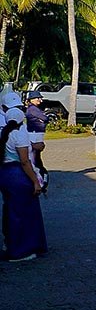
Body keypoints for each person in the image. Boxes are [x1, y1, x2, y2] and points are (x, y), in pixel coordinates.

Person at [0, 109, 46, 262]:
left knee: (11, 211)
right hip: (17, 174)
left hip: (4, 173)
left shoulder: (3, 132)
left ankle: (10, 245)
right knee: (23, 213)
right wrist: (35, 181)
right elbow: (25, 161)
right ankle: (21, 250)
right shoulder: (19, 133)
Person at [25, 90, 49, 184]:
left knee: (36, 156)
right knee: (35, 157)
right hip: (34, 135)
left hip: (36, 134)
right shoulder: (33, 109)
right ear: (31, 100)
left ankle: (40, 175)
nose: (40, 100)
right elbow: (45, 118)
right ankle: (39, 176)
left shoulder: (34, 108)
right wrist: (44, 119)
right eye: (38, 98)